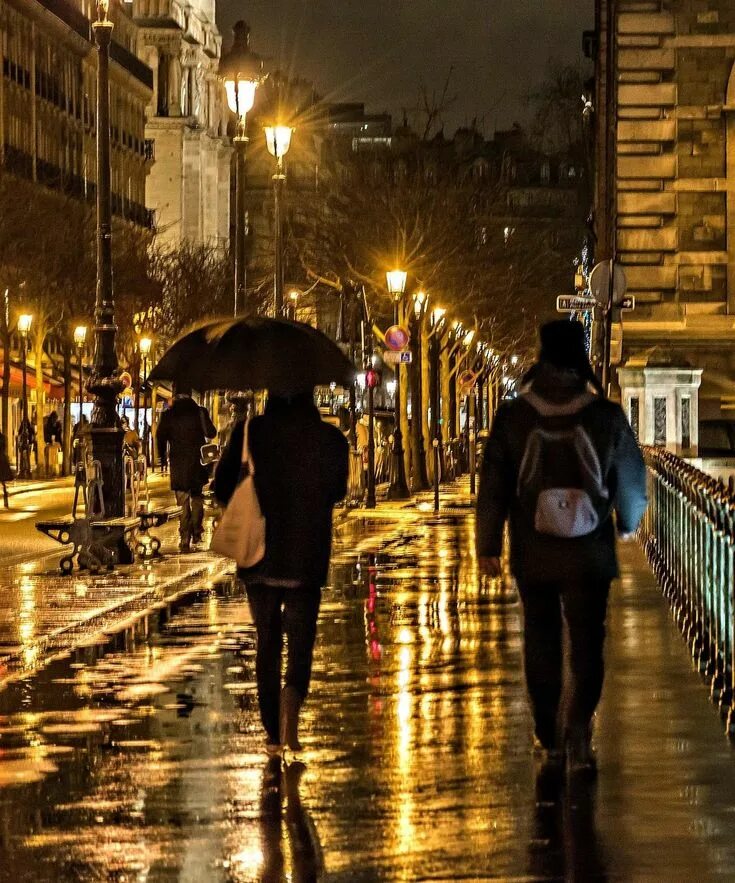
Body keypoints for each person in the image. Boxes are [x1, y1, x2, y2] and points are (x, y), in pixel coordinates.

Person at [476, 320, 647, 773]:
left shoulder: (515, 416)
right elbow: (631, 477)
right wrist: (627, 524)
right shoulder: (605, 415)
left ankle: (549, 733)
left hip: (533, 550)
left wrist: (488, 544)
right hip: (590, 551)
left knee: (542, 639)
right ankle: (578, 727)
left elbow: (493, 483)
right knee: (588, 643)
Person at [214, 390, 349, 754]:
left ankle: (272, 732)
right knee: (301, 641)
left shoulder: (250, 431)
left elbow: (220, 486)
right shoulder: (330, 438)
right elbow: (338, 490)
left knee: (268, 642)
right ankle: (293, 699)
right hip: (307, 554)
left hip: (259, 554)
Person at [156, 388, 216, 552]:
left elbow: (160, 437)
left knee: (182, 500)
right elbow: (211, 432)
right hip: (197, 461)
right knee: (197, 497)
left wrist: (161, 456)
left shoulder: (169, 414)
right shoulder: (199, 411)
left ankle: (184, 537)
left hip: (178, 462)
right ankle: (196, 530)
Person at [0, 429, 13, 507]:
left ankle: (5, 496)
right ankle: (5, 495)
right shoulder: (3, 437)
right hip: (2, 458)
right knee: (3, 481)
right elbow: (4, 448)